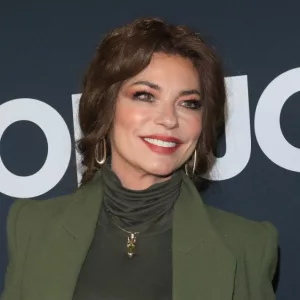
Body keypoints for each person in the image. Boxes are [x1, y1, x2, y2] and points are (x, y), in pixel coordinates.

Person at [1, 17, 278, 300]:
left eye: (188, 103)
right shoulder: (32, 229)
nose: (169, 119)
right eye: (145, 96)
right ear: (105, 105)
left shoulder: (248, 247)